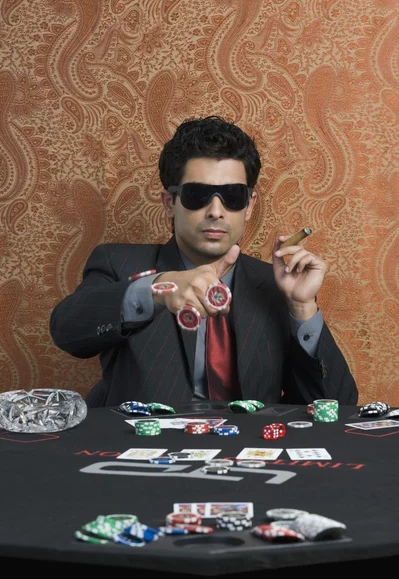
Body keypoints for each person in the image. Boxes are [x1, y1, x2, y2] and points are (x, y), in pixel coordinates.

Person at [49, 115, 358, 408]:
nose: (216, 211)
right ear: (170, 202)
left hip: (250, 452)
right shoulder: (120, 263)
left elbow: (337, 406)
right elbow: (67, 332)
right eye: (198, 194)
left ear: (249, 206)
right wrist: (156, 290)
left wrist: (302, 308)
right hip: (151, 452)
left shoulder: (276, 285)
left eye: (233, 196)